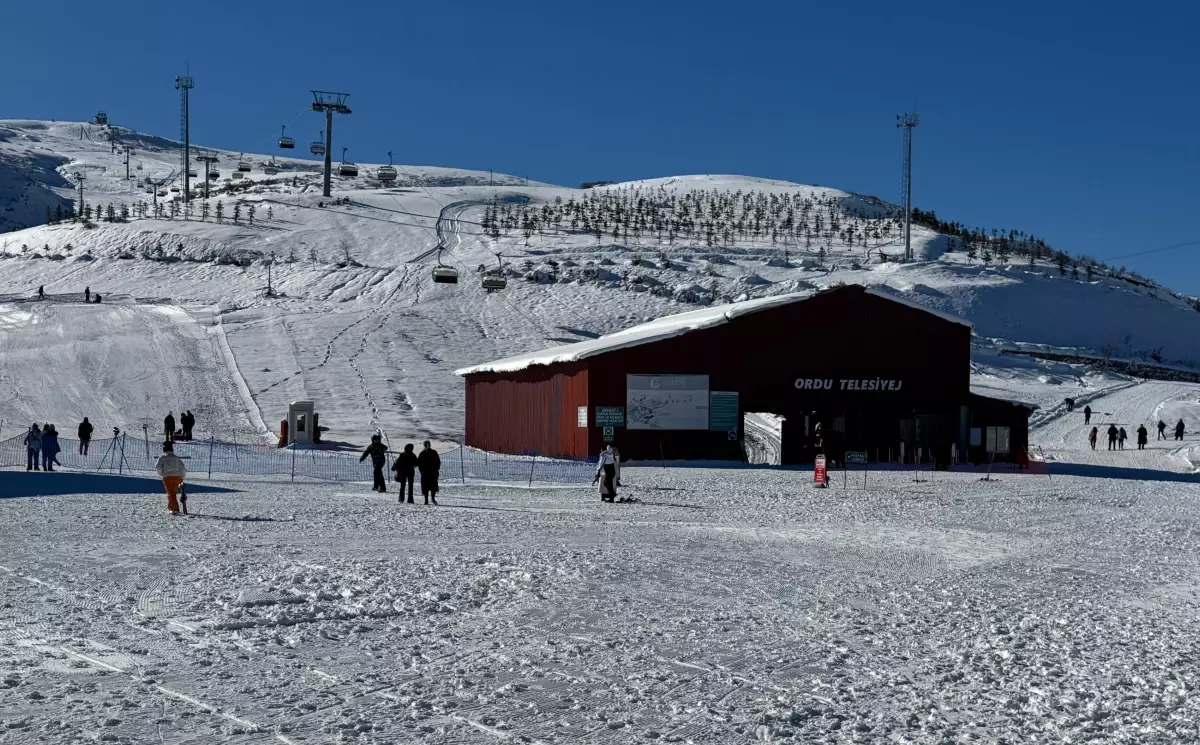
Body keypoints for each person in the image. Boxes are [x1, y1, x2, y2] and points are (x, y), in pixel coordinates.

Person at [154, 441, 187, 515]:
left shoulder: (162, 458)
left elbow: (158, 467)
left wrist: (162, 474)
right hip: (177, 477)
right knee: (173, 493)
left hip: (167, 477)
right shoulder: (176, 458)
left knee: (171, 493)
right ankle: (170, 507)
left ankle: (174, 509)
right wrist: (182, 476)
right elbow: (182, 468)